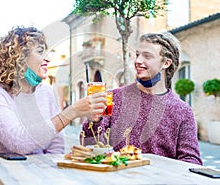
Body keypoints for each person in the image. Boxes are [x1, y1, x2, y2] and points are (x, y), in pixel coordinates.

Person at [0, 26, 107, 185]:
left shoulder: (46, 92)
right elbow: (19, 142)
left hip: (36, 176)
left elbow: (56, 145)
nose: (48, 58)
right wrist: (72, 112)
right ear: (20, 57)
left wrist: (44, 173)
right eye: (40, 51)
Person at [82, 32, 202, 165]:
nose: (138, 61)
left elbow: (192, 161)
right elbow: (89, 146)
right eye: (138, 55)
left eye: (147, 56)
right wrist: (94, 120)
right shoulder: (112, 98)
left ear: (166, 63)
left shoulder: (182, 110)